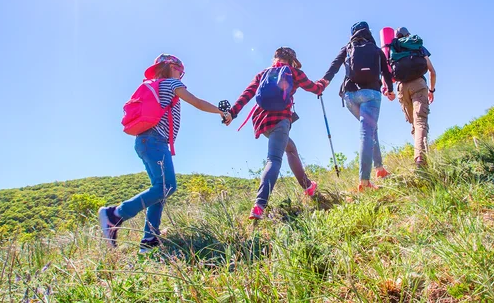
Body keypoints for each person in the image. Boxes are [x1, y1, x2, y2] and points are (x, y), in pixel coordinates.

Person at [99, 54, 232, 254]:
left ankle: (149, 240)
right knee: (167, 186)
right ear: (171, 67)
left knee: (159, 190)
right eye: (181, 70)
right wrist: (221, 112)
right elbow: (196, 102)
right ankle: (115, 214)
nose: (182, 75)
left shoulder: (158, 84)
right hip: (154, 141)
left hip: (145, 141)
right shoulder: (170, 84)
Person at [229, 47, 327, 220]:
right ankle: (259, 205)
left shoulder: (263, 74)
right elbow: (314, 88)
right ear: (292, 60)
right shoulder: (294, 72)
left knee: (290, 148)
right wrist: (322, 84)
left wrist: (232, 113)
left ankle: (308, 187)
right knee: (274, 159)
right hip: (281, 119)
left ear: (275, 58)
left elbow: (247, 94)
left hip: (262, 123)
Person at [321, 21, 394, 191]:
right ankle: (365, 182)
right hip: (371, 95)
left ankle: (380, 169)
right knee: (367, 132)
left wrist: (324, 81)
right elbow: (386, 72)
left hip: (350, 96)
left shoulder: (348, 48)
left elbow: (335, 65)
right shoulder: (376, 50)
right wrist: (390, 90)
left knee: (371, 129)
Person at [389, 27, 436, 168]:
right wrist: (431, 90)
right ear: (408, 35)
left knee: (414, 125)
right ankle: (420, 159)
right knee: (421, 121)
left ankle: (422, 159)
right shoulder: (417, 46)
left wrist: (388, 89)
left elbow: (390, 75)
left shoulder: (393, 47)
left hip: (402, 88)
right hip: (419, 84)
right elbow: (432, 71)